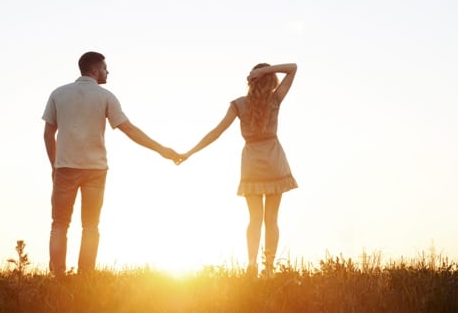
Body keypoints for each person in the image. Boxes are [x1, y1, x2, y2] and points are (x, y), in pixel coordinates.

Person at [42, 51, 179, 276]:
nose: (108, 72)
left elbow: (48, 135)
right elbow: (130, 130)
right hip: (95, 170)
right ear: (95, 70)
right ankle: (85, 277)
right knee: (91, 226)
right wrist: (162, 150)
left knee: (59, 224)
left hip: (65, 168)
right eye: (105, 68)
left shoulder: (58, 94)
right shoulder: (106, 96)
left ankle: (58, 277)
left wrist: (54, 166)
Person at [179, 63, 298, 276]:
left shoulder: (238, 105)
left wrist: (190, 152)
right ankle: (268, 269)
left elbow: (216, 132)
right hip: (274, 160)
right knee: (272, 219)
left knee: (254, 219)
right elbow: (293, 68)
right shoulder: (275, 100)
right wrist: (265, 71)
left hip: (251, 163)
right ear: (271, 81)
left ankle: (252, 263)